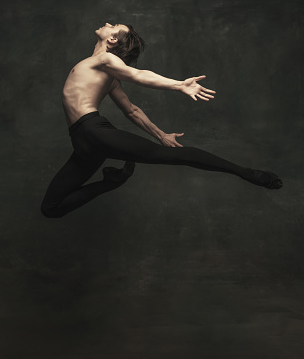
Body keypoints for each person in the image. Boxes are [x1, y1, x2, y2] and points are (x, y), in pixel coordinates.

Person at [41, 22, 282, 218]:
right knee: (50, 208)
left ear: (113, 40)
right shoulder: (103, 70)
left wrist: (179, 85)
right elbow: (132, 111)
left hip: (94, 132)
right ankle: (113, 181)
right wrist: (161, 135)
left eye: (113, 26)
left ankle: (249, 173)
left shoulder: (105, 60)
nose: (107, 24)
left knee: (175, 157)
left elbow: (138, 74)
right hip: (82, 143)